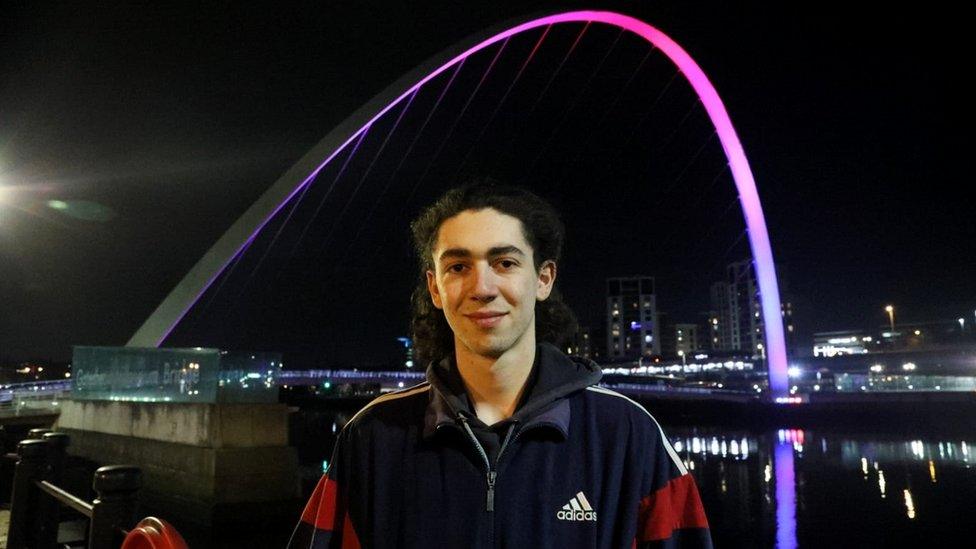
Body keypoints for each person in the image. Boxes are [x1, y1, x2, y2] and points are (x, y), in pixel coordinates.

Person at [287, 181, 712, 548]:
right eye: (458, 266)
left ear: (543, 279)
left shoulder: (627, 435)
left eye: (504, 263)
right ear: (436, 288)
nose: (482, 287)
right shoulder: (372, 437)